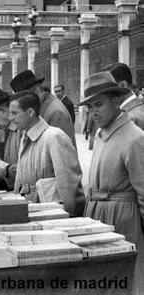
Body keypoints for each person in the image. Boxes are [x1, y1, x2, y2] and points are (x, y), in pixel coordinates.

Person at [80, 71, 144, 294]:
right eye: (89, 107)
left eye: (98, 105)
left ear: (116, 101)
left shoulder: (135, 137)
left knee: (123, 282)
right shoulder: (102, 135)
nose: (93, 112)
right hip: (98, 217)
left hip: (123, 220)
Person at [10, 90, 85, 217]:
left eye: (14, 113)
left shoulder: (54, 137)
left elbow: (69, 185)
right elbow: (19, 182)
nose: (10, 118)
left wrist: (69, 217)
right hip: (31, 212)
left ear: (30, 112)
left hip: (51, 216)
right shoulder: (24, 138)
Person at [10, 70, 76, 146]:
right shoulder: (41, 107)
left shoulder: (56, 112)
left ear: (37, 91)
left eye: (24, 100)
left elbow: (62, 150)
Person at [101, 63, 144, 130]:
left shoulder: (132, 117)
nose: (102, 93)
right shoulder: (132, 112)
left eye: (106, 88)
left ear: (123, 86)